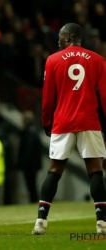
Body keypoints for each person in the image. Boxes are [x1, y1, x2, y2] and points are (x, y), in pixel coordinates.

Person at [32, 23, 106, 235]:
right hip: (89, 121)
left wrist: (47, 121)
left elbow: (47, 98)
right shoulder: (98, 60)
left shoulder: (53, 60)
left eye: (60, 37)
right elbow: (105, 96)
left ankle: (41, 222)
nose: (58, 41)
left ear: (68, 38)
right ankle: (102, 223)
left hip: (63, 122)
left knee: (54, 170)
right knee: (95, 171)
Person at [17, 111, 42, 203]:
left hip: (30, 165)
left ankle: (33, 201)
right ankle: (33, 200)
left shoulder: (29, 132)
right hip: (33, 164)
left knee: (31, 184)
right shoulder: (34, 132)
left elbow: (28, 150)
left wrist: (23, 163)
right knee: (32, 184)